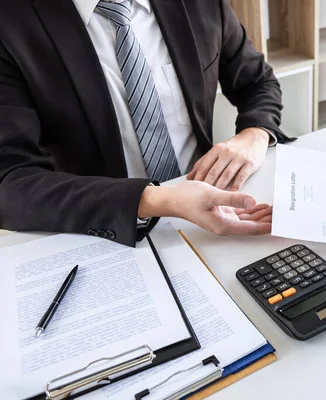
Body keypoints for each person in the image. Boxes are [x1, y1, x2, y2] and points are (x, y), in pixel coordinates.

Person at [0, 0, 289, 247]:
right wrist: (157, 199)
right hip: (103, 231)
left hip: (214, 218)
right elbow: (10, 184)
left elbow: (257, 82)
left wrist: (255, 134)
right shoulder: (11, 24)